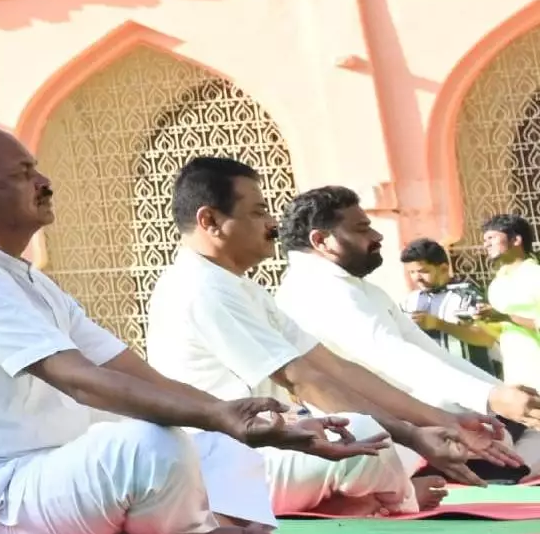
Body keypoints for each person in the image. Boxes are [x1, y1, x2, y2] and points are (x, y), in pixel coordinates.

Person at [0, 126, 376, 534]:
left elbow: (133, 372)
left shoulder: (23, 279)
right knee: (152, 440)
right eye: (24, 173)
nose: (44, 182)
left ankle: (168, 530)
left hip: (43, 487)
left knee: (205, 431)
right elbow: (80, 380)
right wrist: (223, 417)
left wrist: (248, 420)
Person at [145, 159, 516, 512]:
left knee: (387, 431)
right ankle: (387, 499)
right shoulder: (202, 288)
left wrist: (440, 423)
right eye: (258, 212)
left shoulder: (242, 288)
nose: (272, 224)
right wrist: (415, 433)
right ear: (209, 220)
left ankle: (365, 499)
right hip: (225, 463)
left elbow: (333, 367)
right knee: (366, 432)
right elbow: (304, 380)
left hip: (268, 445)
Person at [275, 190, 540, 431]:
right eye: (362, 229)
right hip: (382, 438)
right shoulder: (315, 287)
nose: (377, 237)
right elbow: (391, 354)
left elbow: (425, 348)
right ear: (321, 240)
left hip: (430, 426)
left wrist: (496, 393)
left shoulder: (356, 287)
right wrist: (489, 396)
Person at [400, 239, 497, 372]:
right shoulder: (410, 301)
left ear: (444, 269)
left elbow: (487, 338)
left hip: (471, 377)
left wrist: (439, 324)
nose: (417, 278)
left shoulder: (467, 295)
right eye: (411, 272)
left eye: (423, 271)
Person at [483, 214, 540, 398]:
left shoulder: (535, 275)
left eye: (491, 238)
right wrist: (481, 320)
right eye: (484, 240)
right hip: (517, 377)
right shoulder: (496, 284)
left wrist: (506, 317)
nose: (486, 244)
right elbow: (500, 334)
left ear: (516, 239)